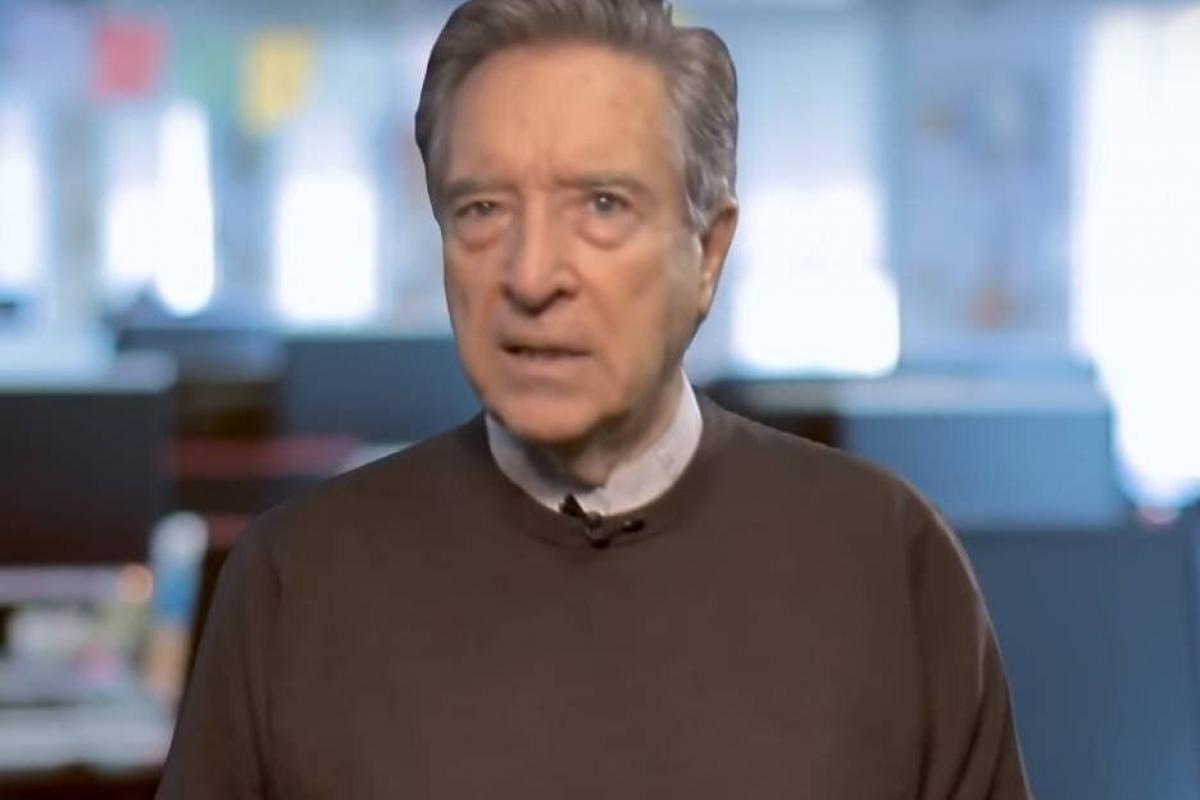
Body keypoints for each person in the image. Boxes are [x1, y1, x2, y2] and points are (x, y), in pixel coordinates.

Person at [157, 1, 1032, 797]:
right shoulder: (294, 581)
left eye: (603, 204)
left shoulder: (886, 560)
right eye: (483, 208)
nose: (532, 275)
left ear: (708, 253)